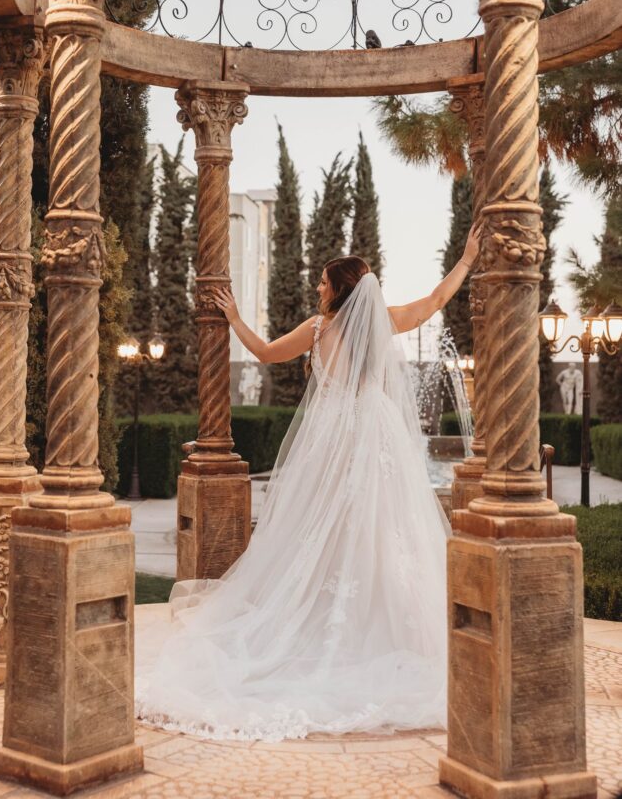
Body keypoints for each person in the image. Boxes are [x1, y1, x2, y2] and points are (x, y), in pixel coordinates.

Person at [135, 224, 482, 742]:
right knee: (381, 526)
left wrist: (234, 320)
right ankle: (377, 629)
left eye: (323, 283)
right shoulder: (380, 322)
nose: (318, 288)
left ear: (340, 288)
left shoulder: (318, 329)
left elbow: (266, 353)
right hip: (376, 430)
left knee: (328, 524)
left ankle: (330, 624)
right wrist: (468, 257)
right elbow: (435, 300)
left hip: (334, 435)